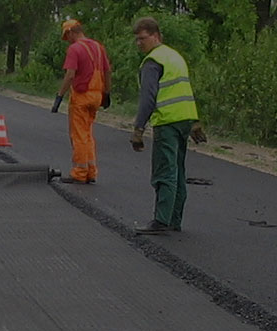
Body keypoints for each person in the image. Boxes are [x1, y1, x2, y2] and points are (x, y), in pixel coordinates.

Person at [128, 17, 206, 235]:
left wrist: (138, 129)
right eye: (137, 39)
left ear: (156, 36)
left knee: (165, 171)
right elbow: (185, 92)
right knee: (178, 171)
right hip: (185, 122)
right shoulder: (175, 57)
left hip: (167, 122)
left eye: (142, 38)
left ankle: (161, 220)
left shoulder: (153, 62)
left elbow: (148, 99)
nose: (139, 43)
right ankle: (174, 220)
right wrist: (194, 122)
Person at [55, 19, 111, 185]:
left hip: (81, 96)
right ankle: (91, 172)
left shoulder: (75, 49)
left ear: (72, 32)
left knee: (78, 135)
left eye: (67, 36)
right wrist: (107, 93)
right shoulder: (98, 47)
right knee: (87, 134)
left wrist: (59, 95)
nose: (68, 40)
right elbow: (108, 72)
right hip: (96, 96)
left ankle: (79, 172)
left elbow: (70, 75)